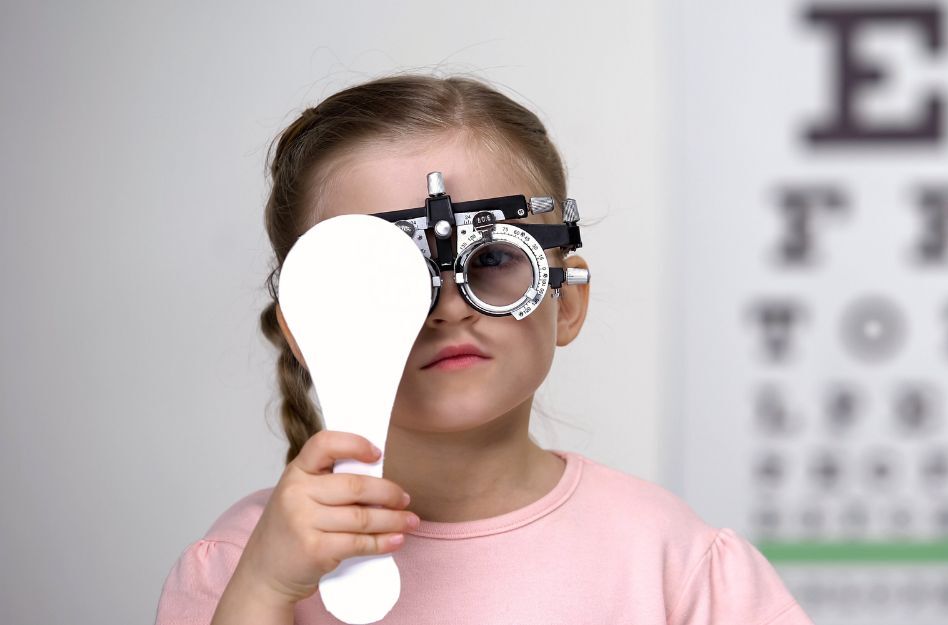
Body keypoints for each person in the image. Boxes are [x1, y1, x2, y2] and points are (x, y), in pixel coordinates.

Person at [154, 73, 812, 625]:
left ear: (568, 299)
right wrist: (264, 591)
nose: (448, 307)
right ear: (312, 332)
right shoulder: (242, 567)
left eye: (492, 258)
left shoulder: (675, 565)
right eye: (385, 279)